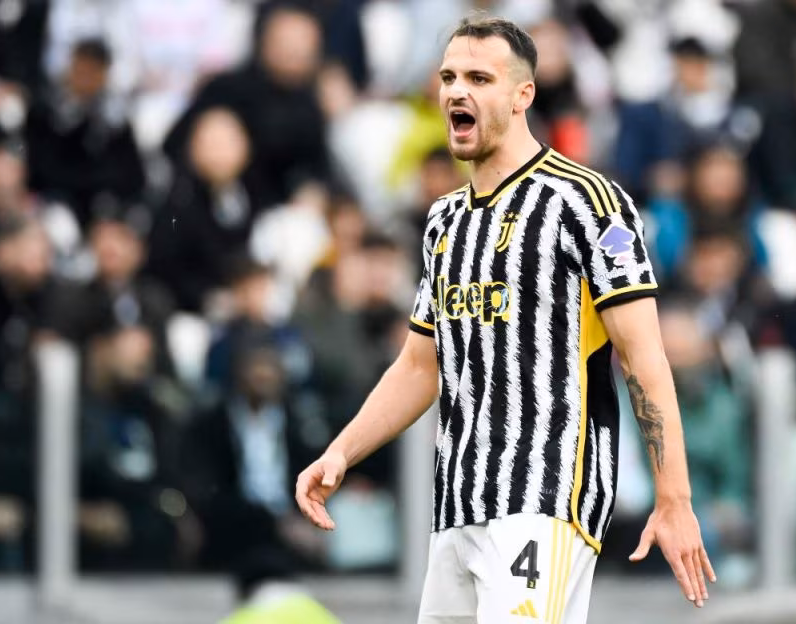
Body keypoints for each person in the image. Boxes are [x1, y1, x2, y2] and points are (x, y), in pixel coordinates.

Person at [295, 15, 714, 624]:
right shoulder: (443, 221)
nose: (456, 91)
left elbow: (643, 356)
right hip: (458, 504)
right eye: (449, 77)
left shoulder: (587, 202)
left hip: (546, 496)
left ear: (523, 95)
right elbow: (420, 365)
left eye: (479, 78)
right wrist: (341, 451)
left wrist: (674, 497)